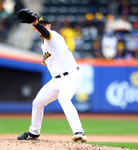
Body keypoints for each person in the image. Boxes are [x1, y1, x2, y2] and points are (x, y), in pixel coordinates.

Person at [17, 13, 87, 143]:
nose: (43, 27)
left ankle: (79, 132)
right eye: (40, 25)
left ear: (49, 26)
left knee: (64, 99)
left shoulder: (53, 35)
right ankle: (34, 132)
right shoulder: (44, 45)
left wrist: (35, 23)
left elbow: (46, 34)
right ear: (34, 30)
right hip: (57, 80)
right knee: (37, 103)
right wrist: (45, 58)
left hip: (71, 76)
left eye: (45, 24)